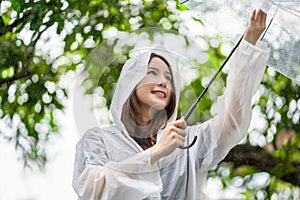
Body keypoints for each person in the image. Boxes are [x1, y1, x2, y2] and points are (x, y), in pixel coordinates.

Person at [72, 9, 270, 200]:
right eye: (152, 73)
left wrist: (248, 46)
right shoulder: (99, 140)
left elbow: (232, 122)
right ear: (130, 85)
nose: (164, 82)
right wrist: (157, 153)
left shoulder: (187, 143)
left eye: (168, 77)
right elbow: (93, 191)